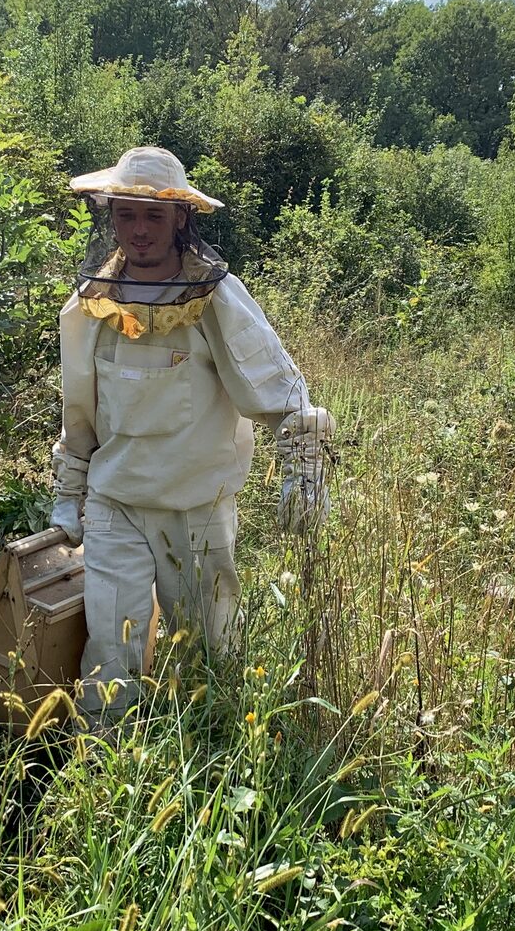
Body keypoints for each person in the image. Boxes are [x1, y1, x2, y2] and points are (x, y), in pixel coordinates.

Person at [49, 146, 334, 726]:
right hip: (115, 503)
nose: (140, 230)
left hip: (197, 505)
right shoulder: (88, 307)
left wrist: (304, 467)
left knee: (206, 650)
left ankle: (205, 749)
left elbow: (276, 390)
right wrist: (67, 492)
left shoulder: (216, 299)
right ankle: (104, 765)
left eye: (154, 216)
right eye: (128, 214)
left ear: (182, 218)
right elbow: (78, 411)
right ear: (111, 217)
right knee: (110, 643)